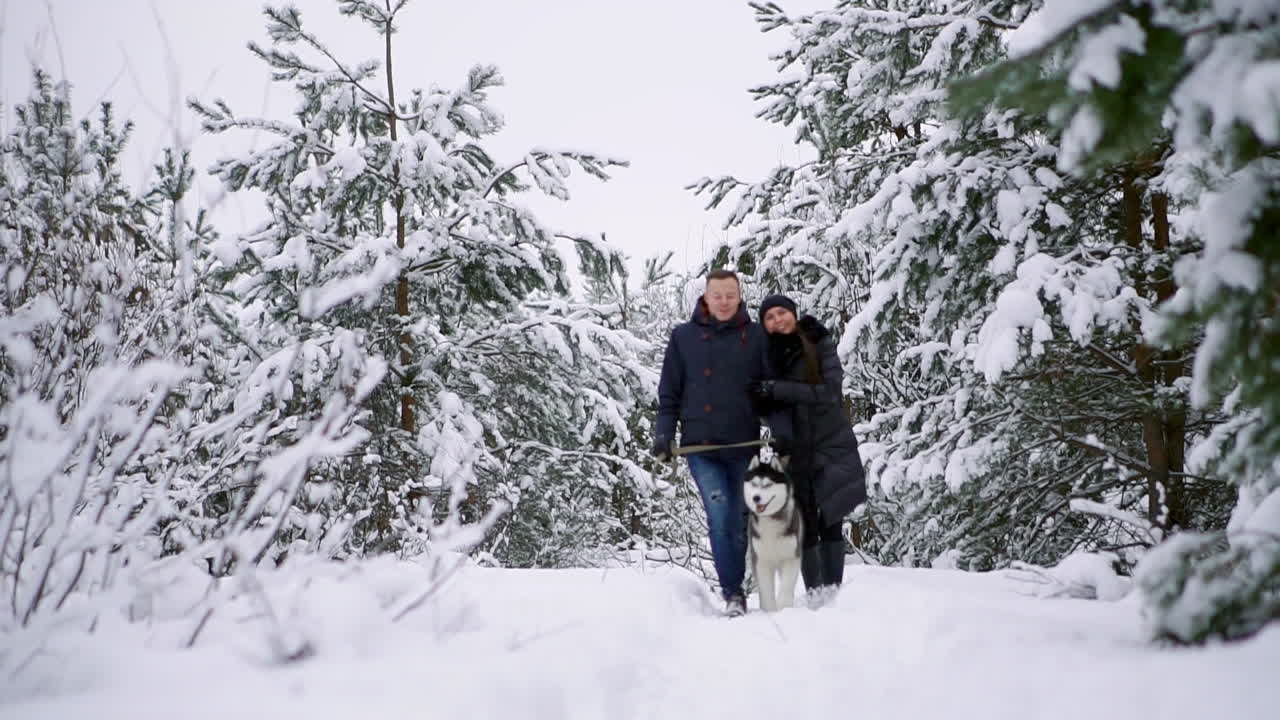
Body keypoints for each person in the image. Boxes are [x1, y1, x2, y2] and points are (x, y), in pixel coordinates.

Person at [653, 269, 788, 617]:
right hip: (700, 446)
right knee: (718, 511)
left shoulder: (756, 337)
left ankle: (737, 585)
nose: (724, 302)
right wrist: (663, 434)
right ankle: (733, 593)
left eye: (730, 295)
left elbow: (770, 391)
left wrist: (782, 431)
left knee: (737, 519)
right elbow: (670, 391)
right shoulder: (683, 337)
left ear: (739, 296)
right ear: (706, 297)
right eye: (718, 295)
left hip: (743, 445)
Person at [751, 293, 866, 599]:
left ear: (793, 313)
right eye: (770, 318)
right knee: (805, 523)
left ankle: (834, 592)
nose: (777, 321)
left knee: (831, 517)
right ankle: (816, 594)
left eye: (781, 313)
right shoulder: (766, 358)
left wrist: (779, 389)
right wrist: (765, 401)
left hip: (830, 442)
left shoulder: (817, 340)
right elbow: (769, 408)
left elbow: (829, 391)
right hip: (793, 447)